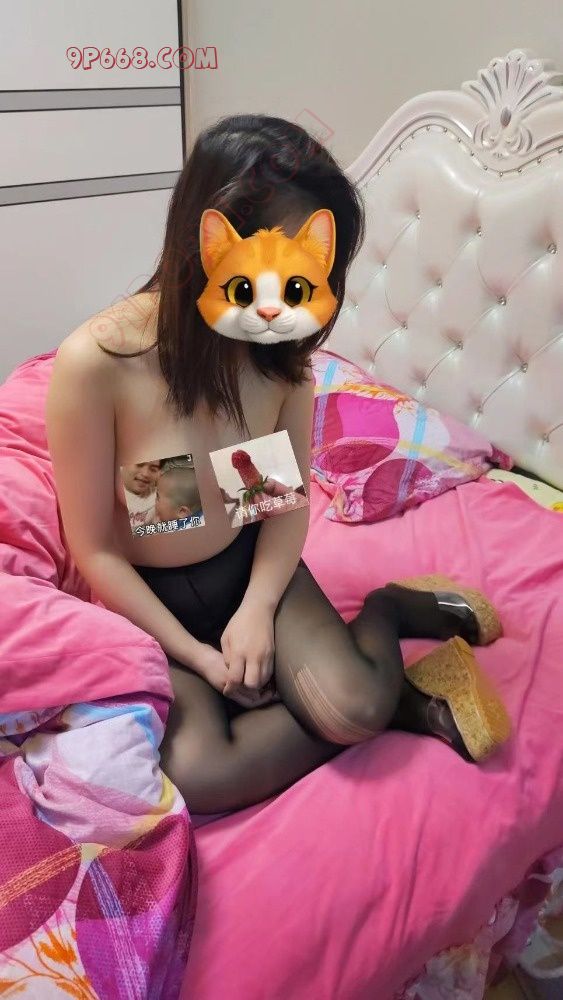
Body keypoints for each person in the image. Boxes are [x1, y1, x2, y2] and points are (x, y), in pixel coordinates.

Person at [45, 113, 510, 816]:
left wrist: (258, 609)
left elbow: (276, 504)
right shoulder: (96, 366)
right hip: (150, 599)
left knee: (350, 705)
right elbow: (96, 551)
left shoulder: (279, 364)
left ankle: (387, 609)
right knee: (200, 772)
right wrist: (199, 656)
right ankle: (401, 701)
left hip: (249, 566)